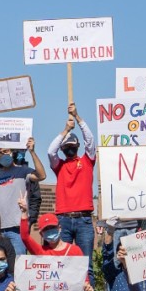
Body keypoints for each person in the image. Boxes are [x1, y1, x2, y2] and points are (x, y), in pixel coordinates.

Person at [47, 103, 98, 260]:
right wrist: (66, 130)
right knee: (63, 262)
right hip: (63, 219)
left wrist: (77, 117)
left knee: (86, 263)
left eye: (72, 145)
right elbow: (50, 151)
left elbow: (90, 140)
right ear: (62, 150)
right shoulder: (59, 166)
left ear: (77, 146)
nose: (69, 148)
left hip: (84, 219)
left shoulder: (87, 161)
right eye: (66, 146)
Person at [0, 143, 42, 255]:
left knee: (18, 266)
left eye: (6, 151)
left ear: (12, 153)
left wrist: (32, 152)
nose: (3, 155)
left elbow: (41, 176)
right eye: (0, 153)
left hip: (17, 230)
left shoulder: (23, 171)